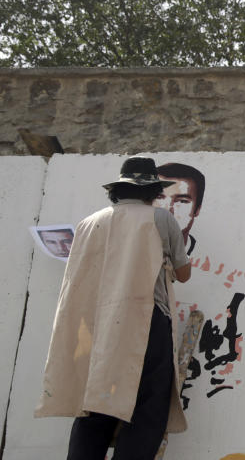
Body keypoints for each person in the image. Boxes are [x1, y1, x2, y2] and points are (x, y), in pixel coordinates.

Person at [35, 156, 191, 460]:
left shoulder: (89, 223)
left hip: (96, 324)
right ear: (153, 192)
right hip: (144, 321)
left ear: (118, 190)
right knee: (147, 408)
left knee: (95, 404)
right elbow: (184, 274)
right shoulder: (160, 219)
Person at [155, 162, 205, 255]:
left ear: (197, 210)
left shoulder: (207, 258)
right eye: (159, 197)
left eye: (182, 201)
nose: (168, 210)